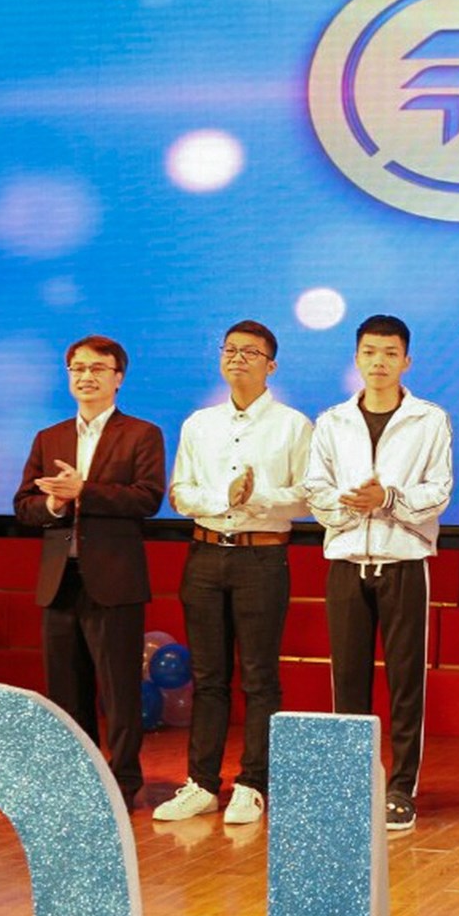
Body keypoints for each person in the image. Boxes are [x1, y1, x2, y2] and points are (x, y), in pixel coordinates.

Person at [155, 320, 313, 827]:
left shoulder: (293, 425)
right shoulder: (199, 424)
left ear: (272, 365)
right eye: (230, 350)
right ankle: (202, 783)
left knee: (260, 676)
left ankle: (252, 784)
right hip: (204, 554)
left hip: (261, 557)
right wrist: (223, 499)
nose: (237, 358)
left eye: (250, 352)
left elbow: (309, 498)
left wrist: (256, 497)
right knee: (208, 677)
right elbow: (180, 493)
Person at [306, 315, 453, 833]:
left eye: (390, 353)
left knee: (406, 682)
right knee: (347, 681)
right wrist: (353, 506)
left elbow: (439, 491)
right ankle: (353, 785)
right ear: (356, 358)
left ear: (406, 361)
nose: (379, 362)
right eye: (370, 352)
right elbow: (315, 490)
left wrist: (388, 499)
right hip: (347, 560)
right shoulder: (332, 421)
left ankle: (400, 789)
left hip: (405, 560)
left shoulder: (429, 419)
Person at [13, 335, 166, 811]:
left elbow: (147, 498)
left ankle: (123, 781)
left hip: (114, 580)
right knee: (66, 690)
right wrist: (55, 503)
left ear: (118, 378)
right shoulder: (49, 437)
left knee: (119, 690)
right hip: (60, 579)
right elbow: (24, 505)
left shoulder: (141, 434)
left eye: (98, 368)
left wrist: (85, 491)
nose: (86, 376)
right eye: (77, 368)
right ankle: (76, 779)